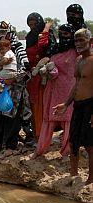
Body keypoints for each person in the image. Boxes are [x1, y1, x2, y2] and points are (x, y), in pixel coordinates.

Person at [53, 28, 93, 185]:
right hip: (77, 105)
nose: (78, 43)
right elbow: (76, 85)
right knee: (73, 141)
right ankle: (73, 173)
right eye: (76, 40)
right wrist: (66, 103)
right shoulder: (78, 61)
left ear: (90, 41)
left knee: (90, 144)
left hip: (90, 105)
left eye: (81, 40)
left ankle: (91, 178)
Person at [35, 24, 78, 157]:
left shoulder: (76, 51)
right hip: (53, 89)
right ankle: (41, 149)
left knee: (68, 120)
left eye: (66, 34)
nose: (63, 37)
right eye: (61, 34)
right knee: (49, 118)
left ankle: (66, 151)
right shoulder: (56, 49)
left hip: (68, 90)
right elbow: (53, 71)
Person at [26, 13, 58, 139]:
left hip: (42, 75)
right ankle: (36, 133)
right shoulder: (29, 37)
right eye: (30, 24)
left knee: (42, 104)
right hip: (31, 75)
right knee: (33, 104)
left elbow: (44, 45)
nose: (33, 27)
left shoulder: (47, 35)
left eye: (35, 24)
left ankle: (43, 135)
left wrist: (45, 29)